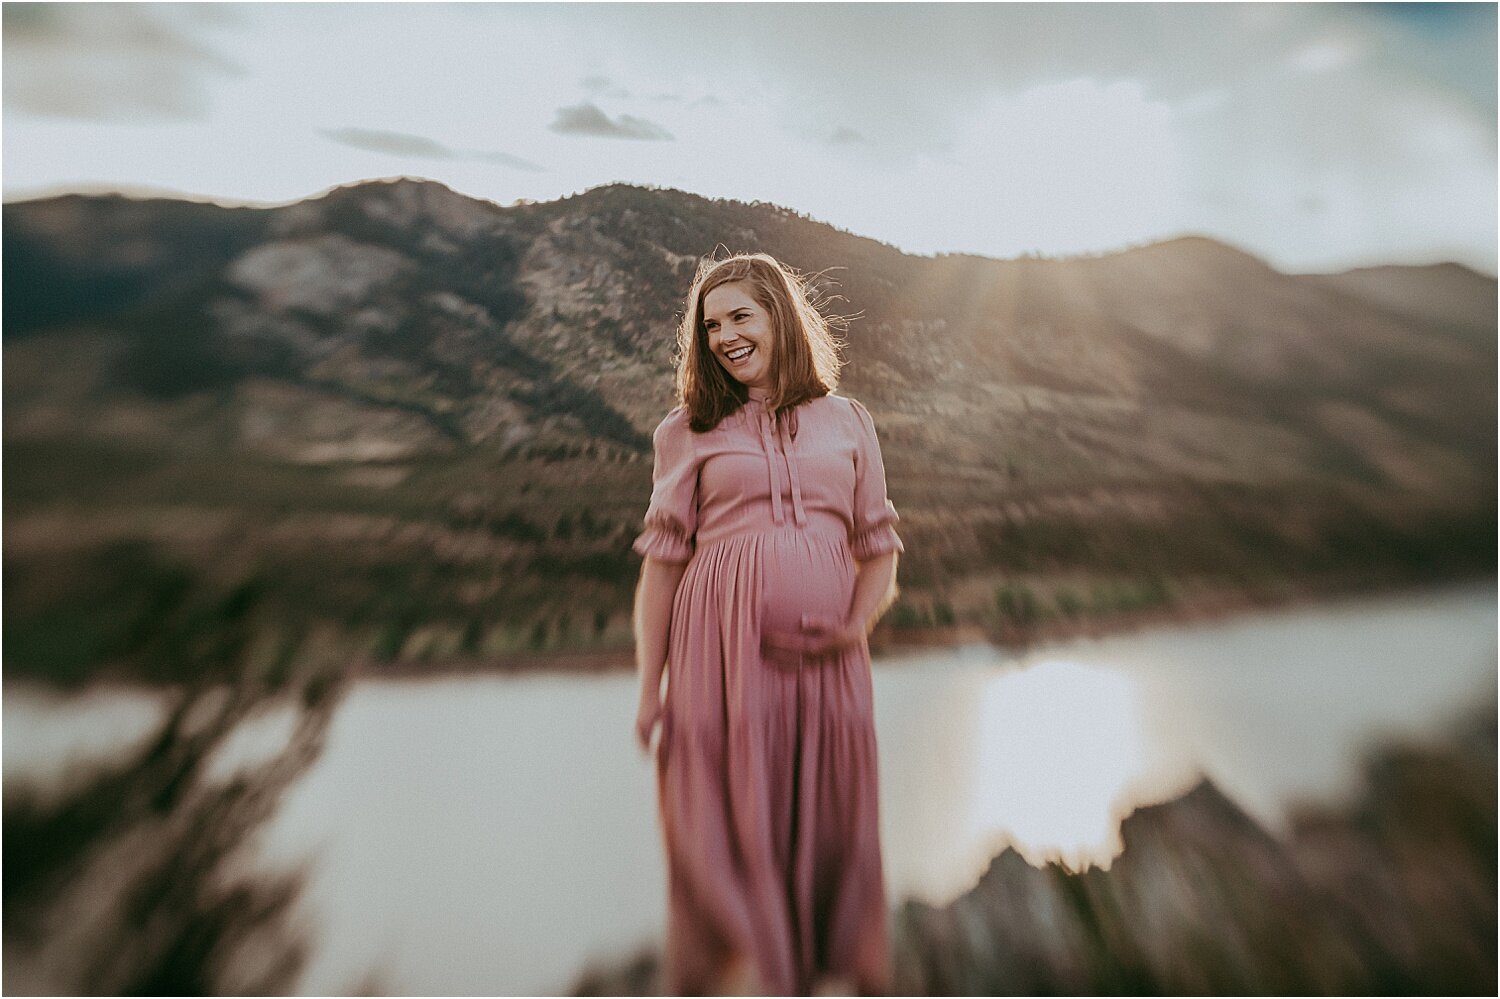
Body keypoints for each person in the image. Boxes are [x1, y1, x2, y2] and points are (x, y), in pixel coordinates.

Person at [631, 252, 903, 996]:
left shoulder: (849, 420)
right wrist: (650, 689)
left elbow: (878, 549)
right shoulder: (686, 430)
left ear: (779, 317)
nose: (723, 336)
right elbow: (661, 565)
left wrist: (853, 624)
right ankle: (753, 979)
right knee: (730, 827)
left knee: (831, 824)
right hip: (720, 664)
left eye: (739, 317)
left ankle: (826, 975)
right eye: (710, 324)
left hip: (829, 665)